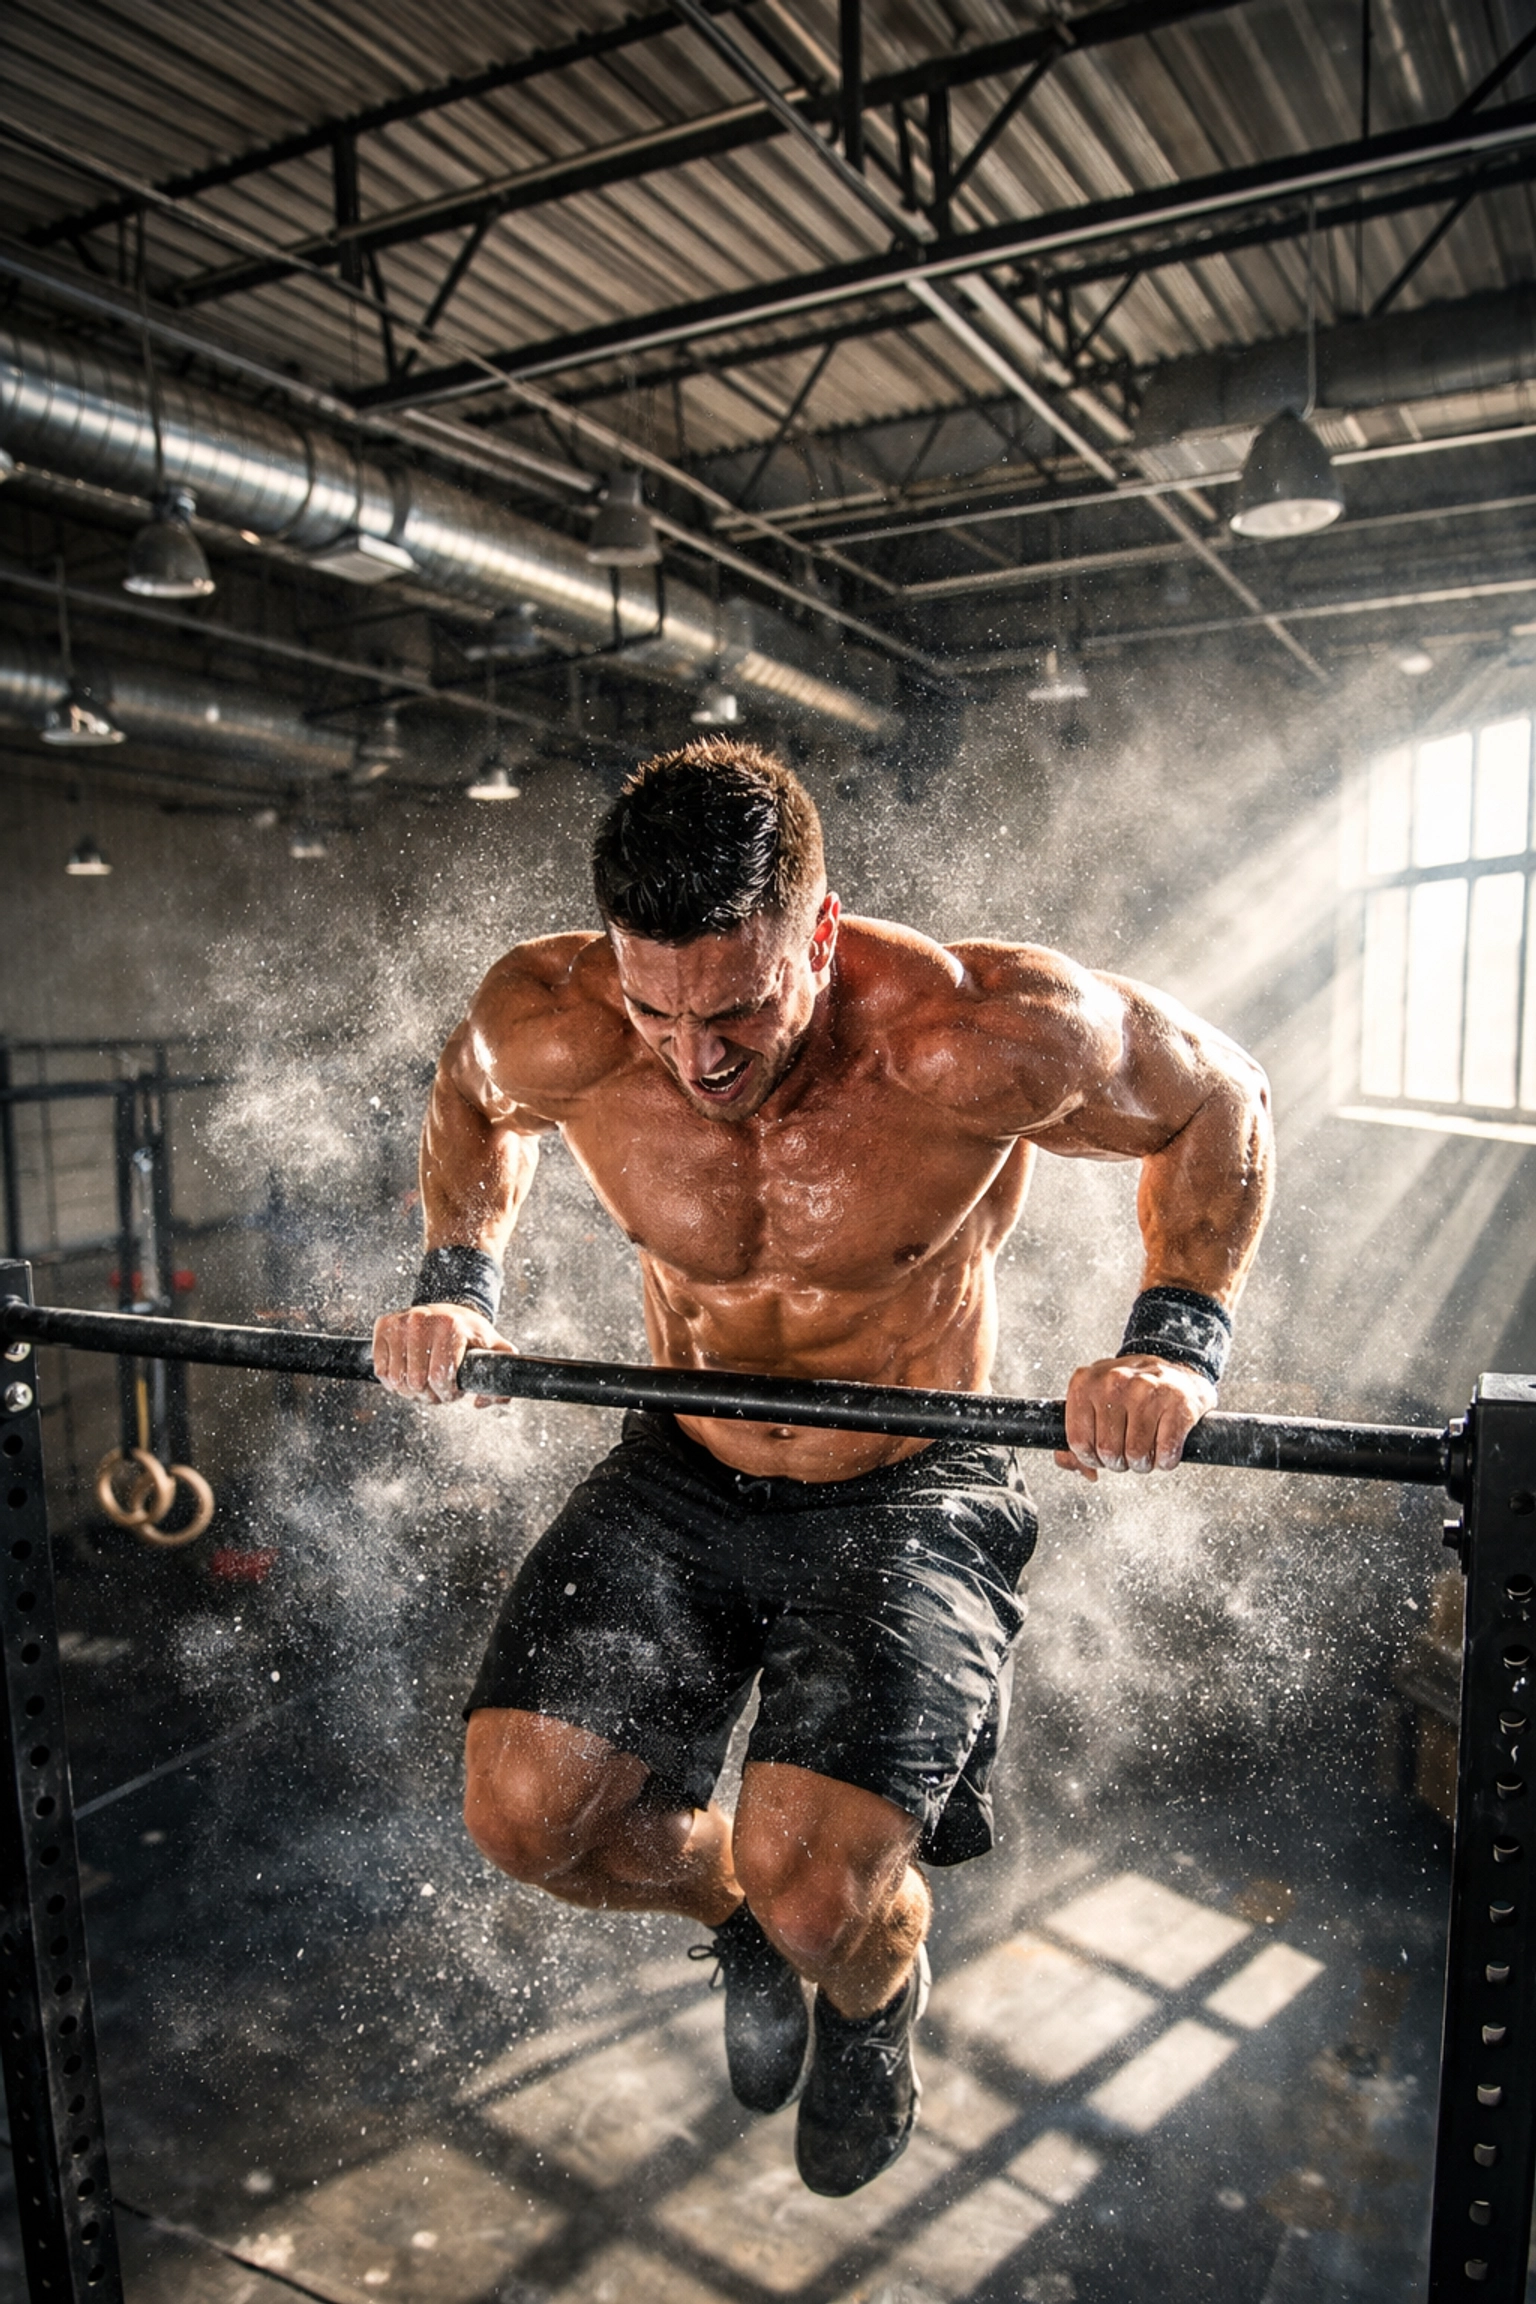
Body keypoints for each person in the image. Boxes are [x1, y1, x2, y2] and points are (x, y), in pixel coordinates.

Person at [372, 737, 1272, 2196]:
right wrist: (458, 1277)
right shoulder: (556, 1021)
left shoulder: (975, 1033)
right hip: (687, 1457)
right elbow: (473, 1097)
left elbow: (1218, 1098)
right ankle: (734, 1919)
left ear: (824, 932)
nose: (698, 1054)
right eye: (660, 1009)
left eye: (739, 1005)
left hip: (907, 1489)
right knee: (525, 1817)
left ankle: (870, 1989)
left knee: (822, 1902)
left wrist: (1173, 1340)